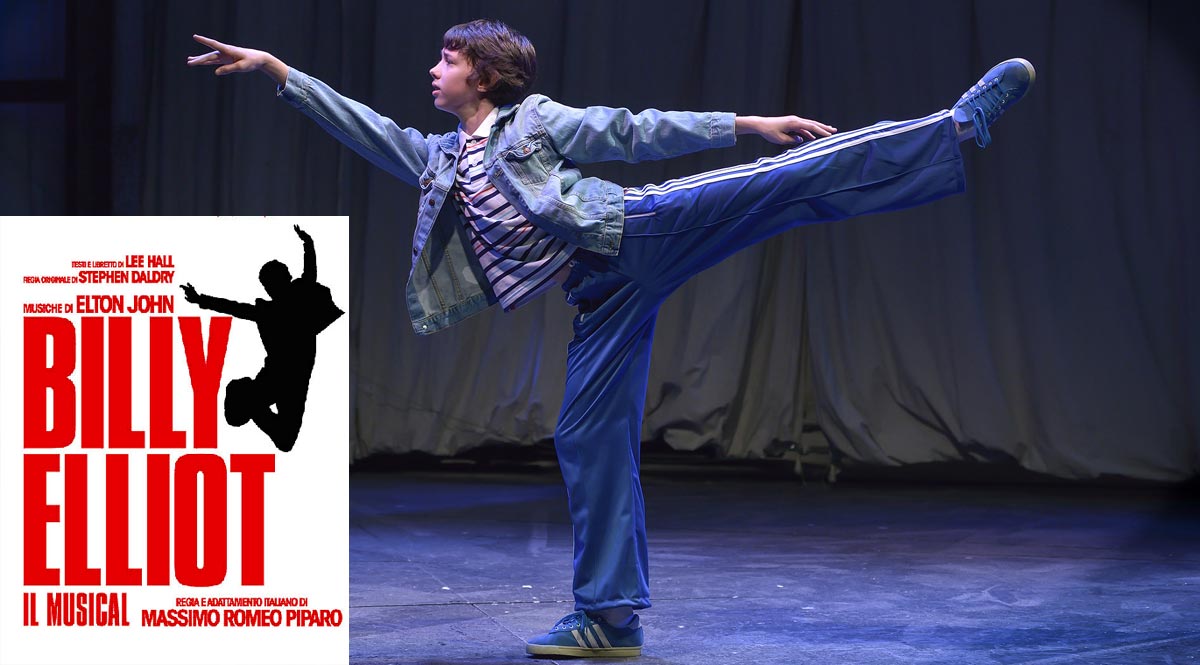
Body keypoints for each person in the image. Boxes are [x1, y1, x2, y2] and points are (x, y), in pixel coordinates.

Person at [188, 19, 1033, 657]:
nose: (433, 70)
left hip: (634, 232)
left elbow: (632, 128)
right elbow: (363, 126)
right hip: (599, 295)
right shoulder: (439, 159)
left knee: (774, 182)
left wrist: (747, 121)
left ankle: (951, 127)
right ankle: (610, 618)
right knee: (585, 435)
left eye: (446, 59)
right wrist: (279, 72)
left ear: (482, 74)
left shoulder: (533, 122)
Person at [181, 224, 343, 453]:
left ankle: (246, 395)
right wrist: (201, 300)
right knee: (236, 417)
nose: (273, 288)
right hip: (275, 375)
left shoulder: (301, 297)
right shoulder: (267, 311)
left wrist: (308, 244)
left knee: (285, 442)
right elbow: (234, 307)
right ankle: (242, 391)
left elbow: (309, 272)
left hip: (297, 379)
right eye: (270, 284)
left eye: (276, 281)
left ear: (286, 279)